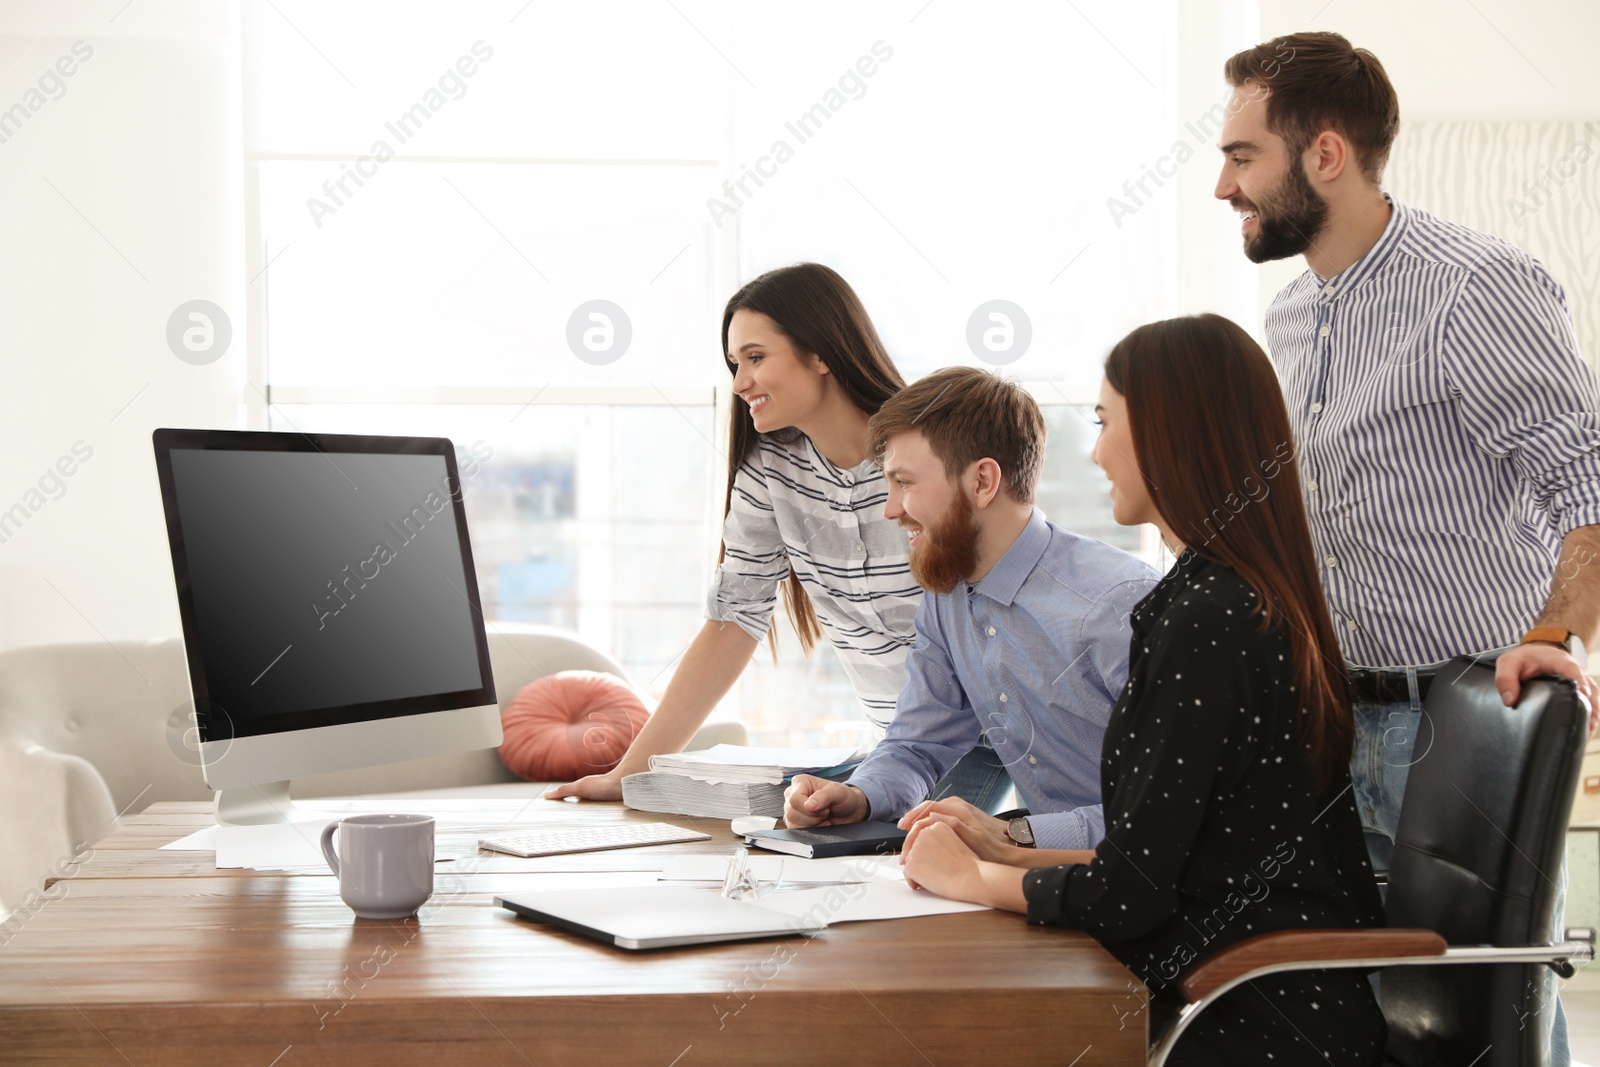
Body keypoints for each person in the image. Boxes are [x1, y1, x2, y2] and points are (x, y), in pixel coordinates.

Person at [1215, 32, 1600, 1062]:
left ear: (1325, 155)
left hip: (1463, 720)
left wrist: (1556, 629)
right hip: (1335, 716)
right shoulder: (1290, 315)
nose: (1223, 184)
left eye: (1242, 156)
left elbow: (1586, 478)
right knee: (1371, 1016)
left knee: (1485, 1016)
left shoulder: (1476, 286)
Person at [901, 315, 1387, 1066]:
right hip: (1226, 980)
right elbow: (1152, 859)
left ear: (1169, 432)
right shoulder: (1209, 597)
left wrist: (976, 877)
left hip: (1250, 1014)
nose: (1094, 451)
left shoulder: (1204, 619)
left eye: (1104, 422)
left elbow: (1130, 895)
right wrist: (1005, 844)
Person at [548, 263, 1005, 809]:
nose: (740, 383)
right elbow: (732, 621)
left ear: (821, 353)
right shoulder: (771, 468)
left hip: (979, 739)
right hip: (894, 747)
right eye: (735, 363)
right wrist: (630, 774)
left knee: (905, 851)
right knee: (750, 824)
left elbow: (1004, 606)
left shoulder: (930, 450)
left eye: (756, 358)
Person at [783, 367, 1158, 851]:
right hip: (1046, 882)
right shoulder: (947, 600)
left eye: (904, 482)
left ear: (983, 481)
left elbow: (1178, 814)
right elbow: (917, 744)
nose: (890, 509)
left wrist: (1015, 833)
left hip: (1147, 887)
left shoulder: (1117, 605)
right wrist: (858, 796)